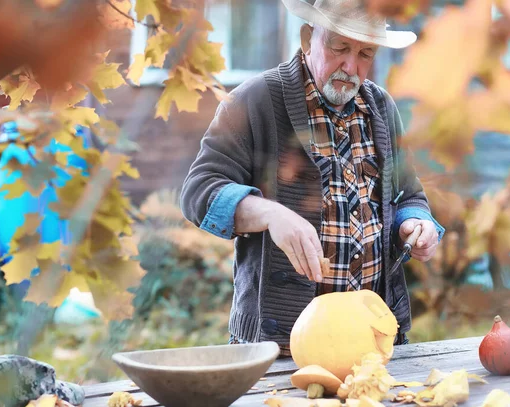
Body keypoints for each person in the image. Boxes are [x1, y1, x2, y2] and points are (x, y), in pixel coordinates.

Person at [180, 0, 445, 356]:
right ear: (308, 38)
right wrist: (271, 214)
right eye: (340, 48)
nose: (351, 66)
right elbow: (198, 192)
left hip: (373, 339)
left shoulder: (382, 107)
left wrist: (414, 222)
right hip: (280, 346)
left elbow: (409, 195)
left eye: (366, 53)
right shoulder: (253, 102)